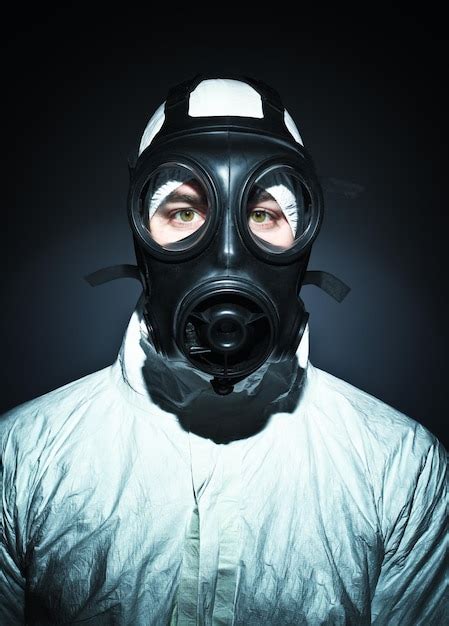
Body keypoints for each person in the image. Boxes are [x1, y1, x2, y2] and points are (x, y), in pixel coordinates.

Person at [0, 76, 447, 625]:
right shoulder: (24, 457)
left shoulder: (398, 468)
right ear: (140, 236)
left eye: (264, 215)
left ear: (305, 234)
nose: (229, 251)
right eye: (184, 213)